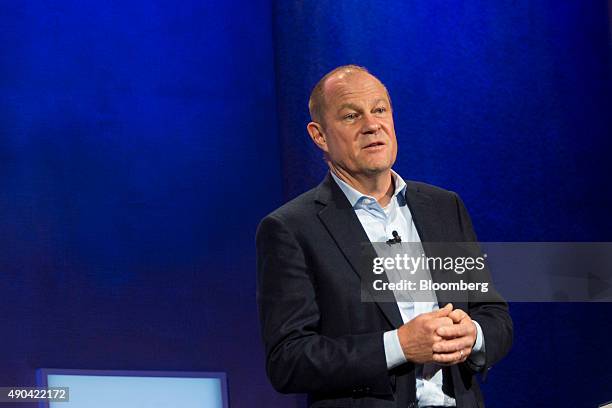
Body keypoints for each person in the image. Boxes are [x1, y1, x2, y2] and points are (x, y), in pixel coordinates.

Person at [256, 65, 512, 408]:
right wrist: (399, 346)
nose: (371, 124)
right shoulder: (291, 228)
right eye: (351, 116)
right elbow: (288, 360)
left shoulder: (442, 207)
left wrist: (474, 336)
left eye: (379, 110)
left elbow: (493, 315)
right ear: (319, 135)